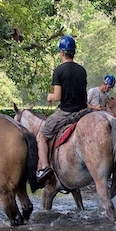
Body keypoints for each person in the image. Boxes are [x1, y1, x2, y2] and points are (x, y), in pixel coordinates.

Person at [36, 35, 87, 184]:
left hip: (66, 113)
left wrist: (50, 96)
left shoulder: (59, 70)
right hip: (83, 112)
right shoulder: (82, 70)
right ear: (73, 52)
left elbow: (58, 96)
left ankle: (45, 167)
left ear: (62, 53)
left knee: (41, 136)